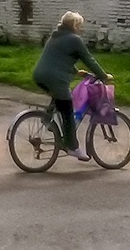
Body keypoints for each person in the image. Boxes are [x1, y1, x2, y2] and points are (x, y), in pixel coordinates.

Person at [31, 11, 112, 161]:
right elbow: (89, 59)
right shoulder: (74, 39)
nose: (80, 29)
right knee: (67, 109)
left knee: (59, 96)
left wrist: (76, 71)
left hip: (39, 75)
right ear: (74, 25)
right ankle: (72, 147)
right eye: (79, 25)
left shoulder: (56, 36)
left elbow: (58, 58)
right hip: (55, 78)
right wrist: (103, 76)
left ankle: (47, 118)